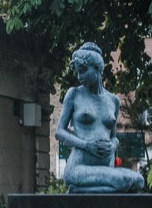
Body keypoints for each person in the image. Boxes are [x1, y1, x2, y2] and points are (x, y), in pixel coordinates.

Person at [56, 42, 145, 193]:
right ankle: (83, 187)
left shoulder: (113, 101)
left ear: (97, 68)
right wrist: (85, 145)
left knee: (139, 181)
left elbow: (113, 137)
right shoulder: (74, 94)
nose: (80, 77)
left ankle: (82, 190)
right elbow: (59, 132)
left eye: (83, 71)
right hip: (79, 166)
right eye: (78, 72)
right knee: (123, 181)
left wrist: (113, 145)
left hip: (105, 166)